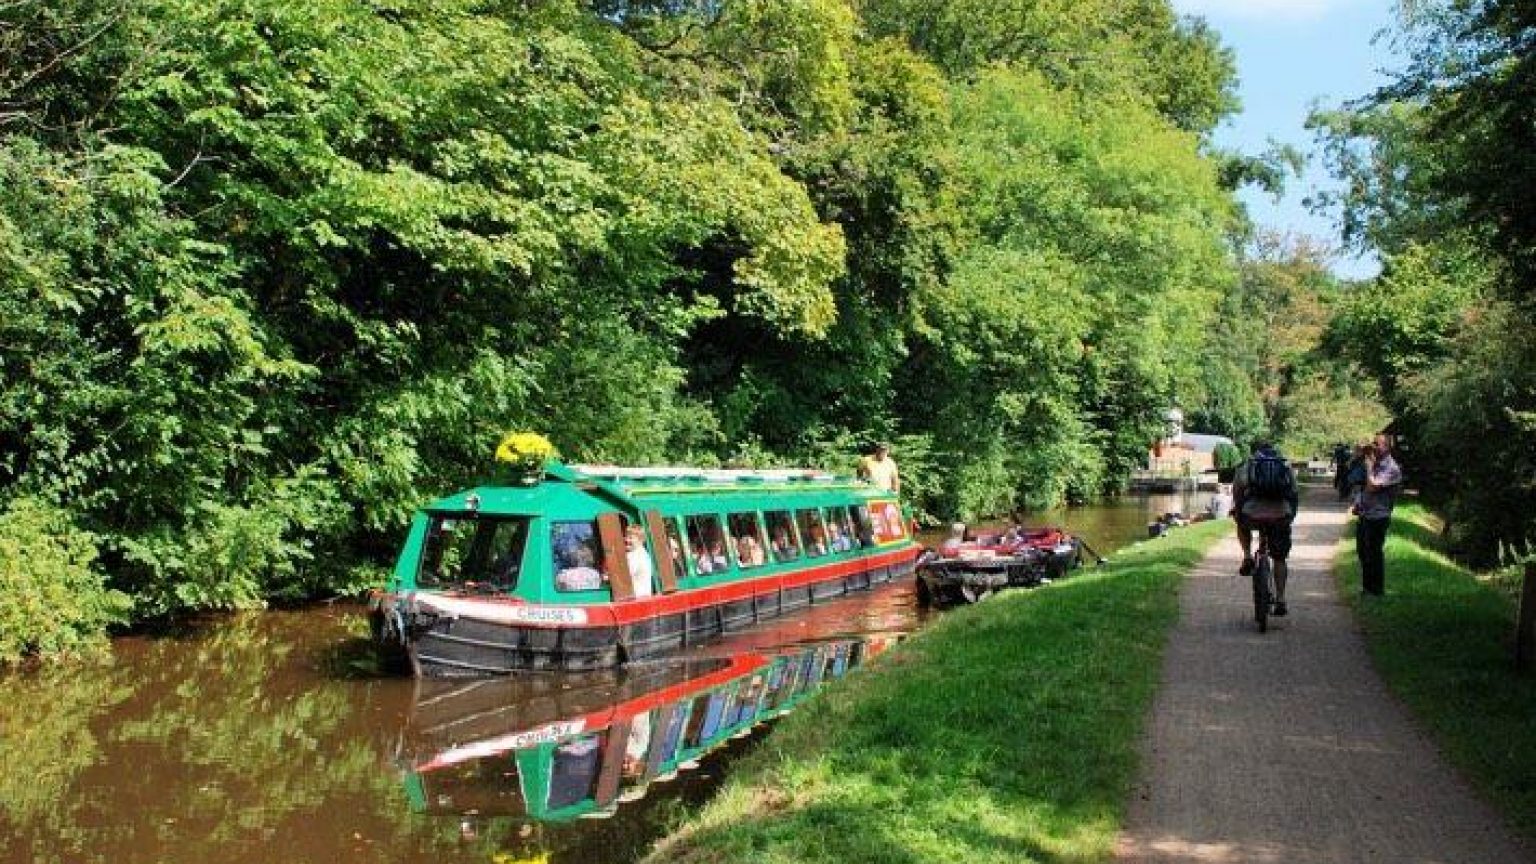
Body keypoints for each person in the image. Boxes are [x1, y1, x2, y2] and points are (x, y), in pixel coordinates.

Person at [1232, 440, 1301, 616]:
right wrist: (1290, 515)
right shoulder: (1284, 465)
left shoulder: (1248, 465)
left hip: (1253, 515)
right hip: (1280, 515)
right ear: (1274, 451)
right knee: (1279, 558)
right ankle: (1281, 599)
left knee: (1241, 523)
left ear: (1255, 451)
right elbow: (1293, 492)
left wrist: (1238, 512)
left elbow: (1238, 492)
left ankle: (1247, 557)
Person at [1355, 433, 1403, 596]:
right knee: (1363, 552)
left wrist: (1369, 466)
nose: (1374, 447)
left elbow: (1372, 487)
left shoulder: (1391, 468)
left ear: (1388, 447)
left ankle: (1377, 590)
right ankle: (1367, 588)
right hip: (1365, 514)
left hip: (1379, 516)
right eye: (1373, 443)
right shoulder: (1375, 463)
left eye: (1378, 444)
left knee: (1374, 553)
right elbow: (1360, 485)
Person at [624, 524, 655, 598]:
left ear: (640, 540)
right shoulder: (641, 553)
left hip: (637, 597)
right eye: (626, 536)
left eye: (631, 538)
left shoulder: (637, 555)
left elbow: (625, 576)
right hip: (643, 595)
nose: (627, 540)